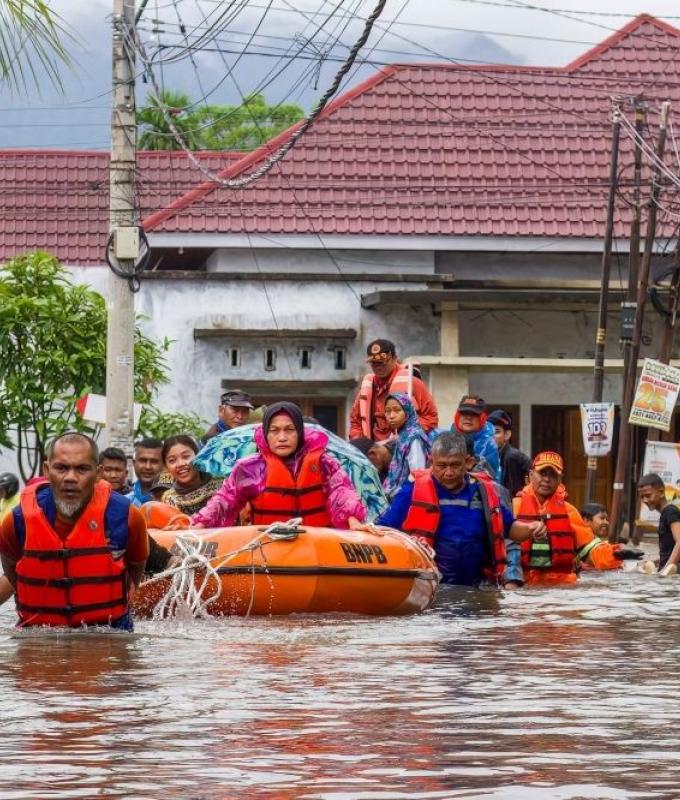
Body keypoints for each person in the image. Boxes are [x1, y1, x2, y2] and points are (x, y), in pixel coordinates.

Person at [0, 432, 148, 630]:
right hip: (39, 635)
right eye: (61, 468)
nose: (70, 478)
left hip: (109, 632)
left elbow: (137, 565)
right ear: (47, 469)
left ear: (97, 473)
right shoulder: (17, 521)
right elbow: (11, 566)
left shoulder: (128, 516)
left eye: (82, 469)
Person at [377, 432, 545, 587]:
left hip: (477, 587)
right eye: (441, 466)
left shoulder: (484, 492)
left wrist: (531, 528)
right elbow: (383, 529)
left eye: (455, 465)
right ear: (431, 461)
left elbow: (510, 529)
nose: (448, 472)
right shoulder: (413, 491)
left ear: (468, 462)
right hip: (430, 587)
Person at [192, 401, 368, 530]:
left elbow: (341, 492)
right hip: (270, 546)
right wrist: (200, 524)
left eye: (289, 430)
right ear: (266, 434)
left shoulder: (324, 463)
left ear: (299, 433)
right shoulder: (249, 468)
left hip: (318, 545)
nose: (282, 437)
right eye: (274, 431)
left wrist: (353, 521)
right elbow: (225, 500)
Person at [513, 451, 621, 585]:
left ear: (560, 479)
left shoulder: (569, 511)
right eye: (542, 473)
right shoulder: (513, 507)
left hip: (561, 586)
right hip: (522, 585)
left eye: (553, 475)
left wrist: (617, 555)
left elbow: (591, 550)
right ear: (530, 475)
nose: (547, 479)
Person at [349, 339, 439, 441]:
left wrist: (407, 435)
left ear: (394, 358)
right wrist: (360, 443)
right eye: (374, 363)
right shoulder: (368, 387)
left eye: (382, 362)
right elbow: (355, 421)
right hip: (375, 451)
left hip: (404, 448)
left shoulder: (411, 382)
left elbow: (431, 417)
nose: (378, 367)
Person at [383, 393, 431, 499]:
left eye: (397, 410)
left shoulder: (414, 437)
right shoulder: (403, 435)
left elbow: (418, 474)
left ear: (407, 411)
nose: (391, 416)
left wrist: (401, 496)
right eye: (387, 411)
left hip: (406, 498)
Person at [161, 435, 224, 517]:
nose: (180, 464)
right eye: (172, 461)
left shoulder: (222, 483)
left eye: (186, 457)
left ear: (198, 456)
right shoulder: (170, 498)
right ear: (166, 467)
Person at [450, 395, 501, 482]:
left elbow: (490, 479)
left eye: (474, 414)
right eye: (464, 413)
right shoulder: (444, 438)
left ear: (482, 418)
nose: (468, 417)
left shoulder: (489, 445)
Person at [638, 473, 680, 576]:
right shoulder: (665, 513)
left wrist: (665, 571)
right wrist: (655, 562)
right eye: (642, 497)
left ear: (661, 492)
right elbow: (668, 552)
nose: (645, 500)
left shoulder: (670, 511)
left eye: (648, 495)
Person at [488, 409, 531, 497]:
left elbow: (511, 495)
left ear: (507, 435)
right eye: (488, 431)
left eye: (496, 432)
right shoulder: (490, 455)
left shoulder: (512, 457)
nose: (491, 436)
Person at [126, 438, 163, 507]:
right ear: (134, 463)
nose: (148, 467)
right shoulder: (124, 501)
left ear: (164, 465)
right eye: (143, 460)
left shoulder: (174, 500)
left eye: (154, 461)